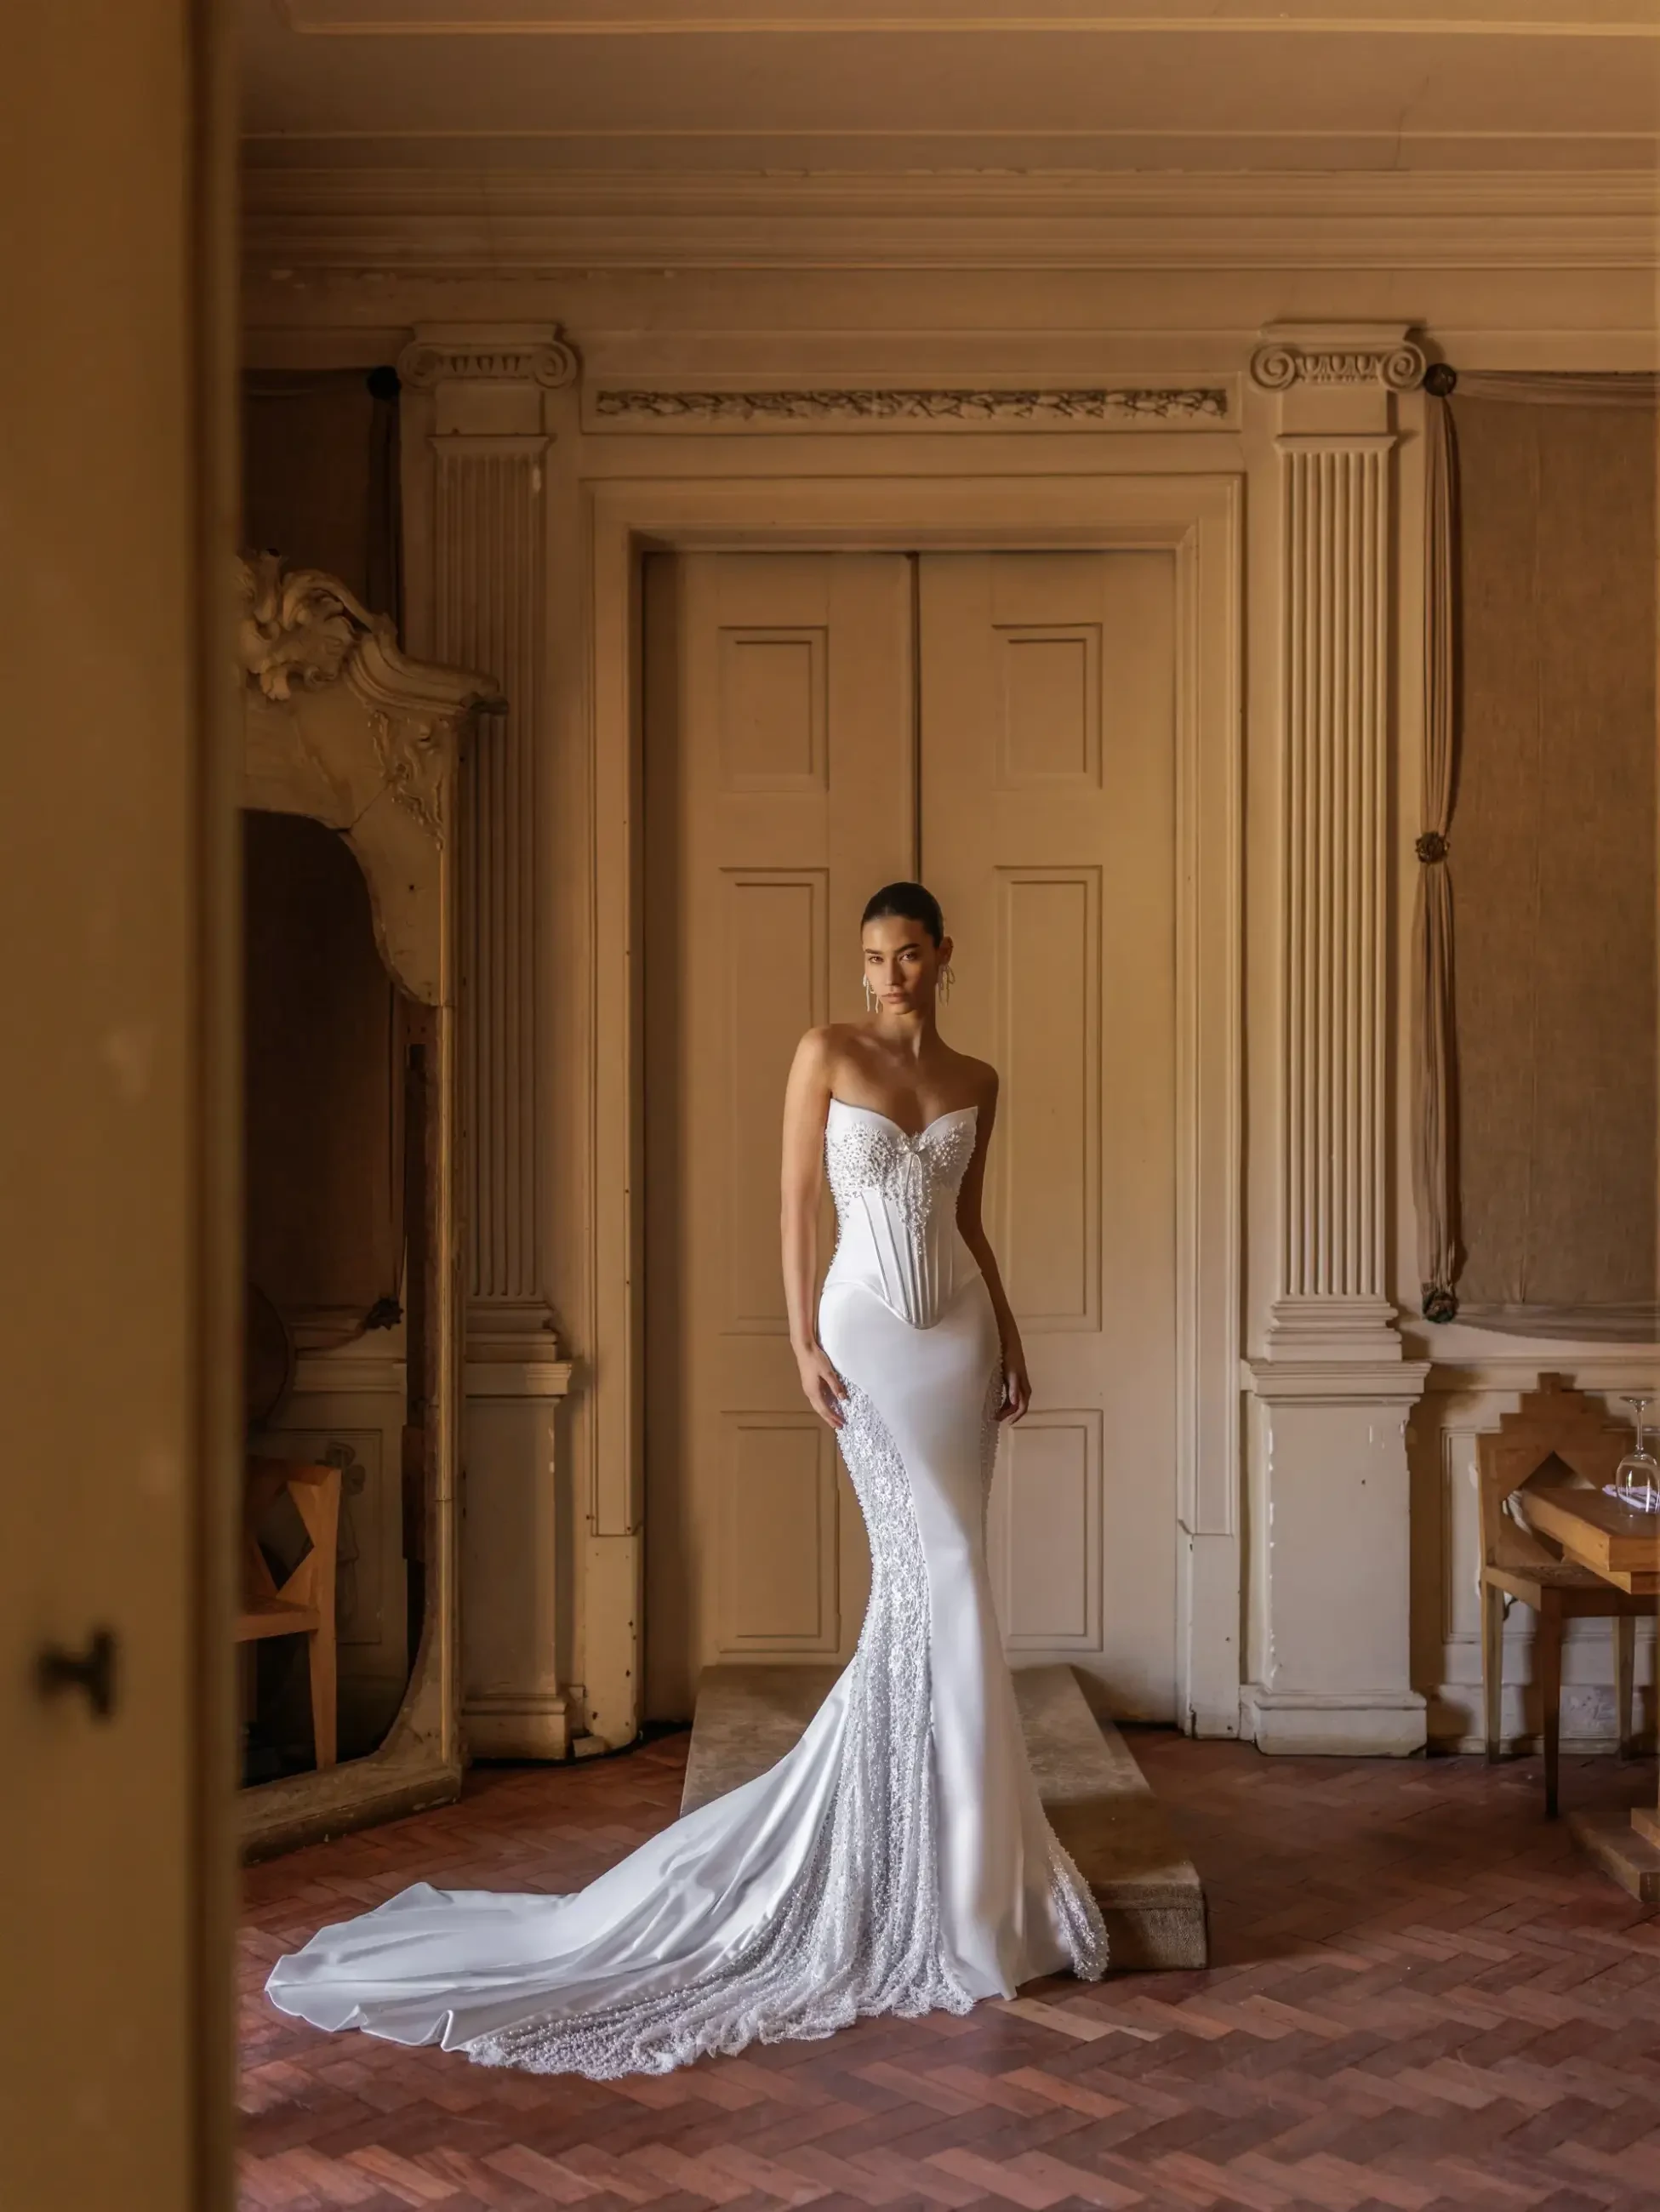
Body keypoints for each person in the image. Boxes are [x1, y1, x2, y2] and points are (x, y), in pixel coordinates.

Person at [265, 881, 1107, 2078]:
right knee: (932, 1579)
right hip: (863, 1332)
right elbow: (791, 1205)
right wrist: (801, 1341)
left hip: (958, 1342)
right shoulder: (823, 1050)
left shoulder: (977, 1081)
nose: (887, 977)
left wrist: (1012, 1340)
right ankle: (942, 1872)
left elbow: (968, 1226)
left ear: (941, 957)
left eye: (907, 956)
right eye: (872, 956)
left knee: (957, 1579)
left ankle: (967, 1868)